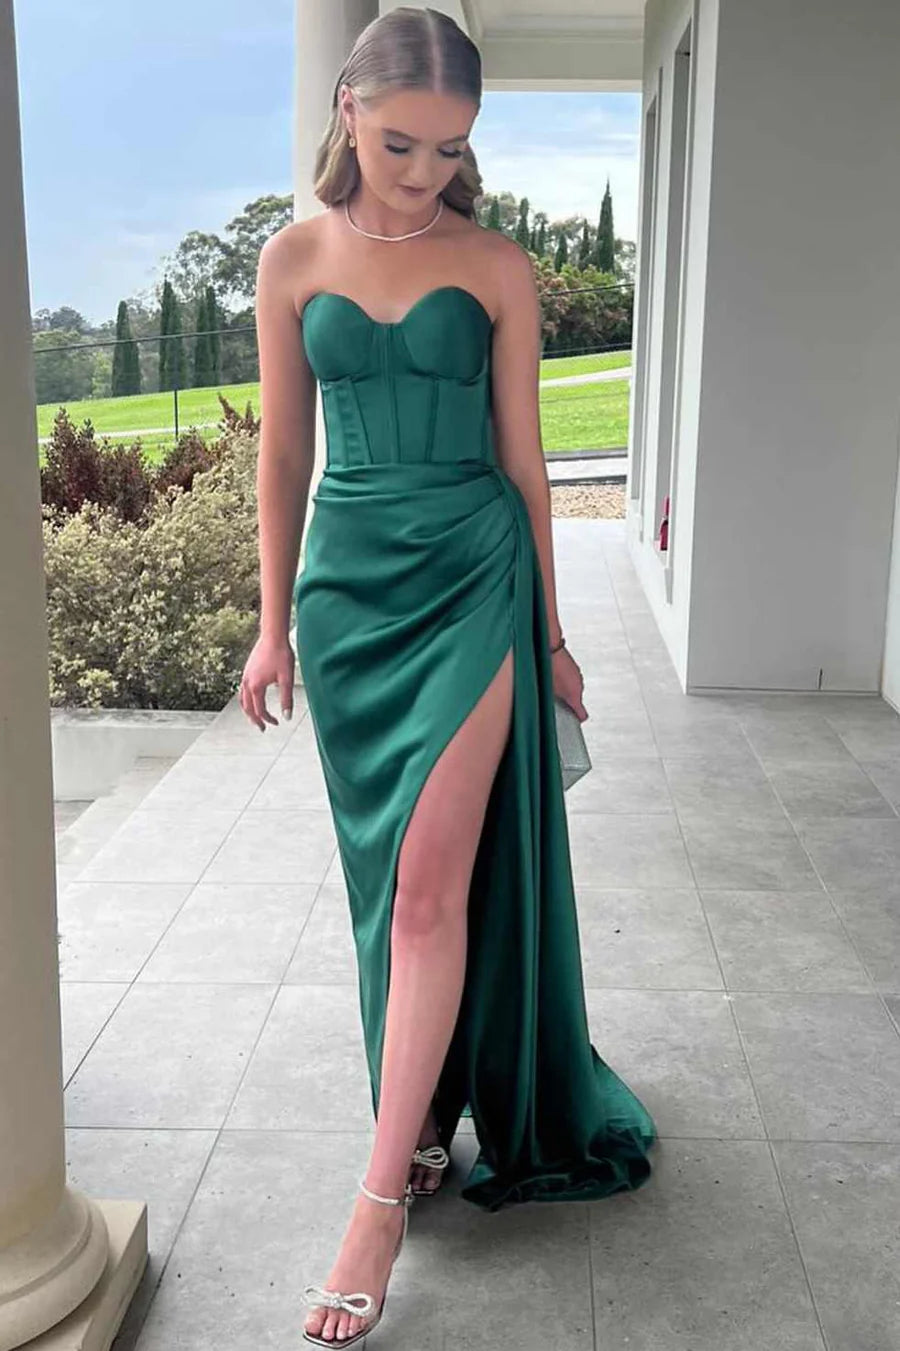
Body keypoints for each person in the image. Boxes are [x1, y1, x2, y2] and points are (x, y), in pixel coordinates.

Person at [239, 7, 657, 1346]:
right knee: (391, 889)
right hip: (348, 597)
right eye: (403, 144)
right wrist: (270, 625)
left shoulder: (496, 265)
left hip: (473, 581)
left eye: (452, 149)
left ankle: (374, 1208)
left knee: (429, 886)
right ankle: (415, 1113)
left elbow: (528, 463)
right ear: (350, 110)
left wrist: (551, 633)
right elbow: (283, 459)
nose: (426, 172)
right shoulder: (291, 258)